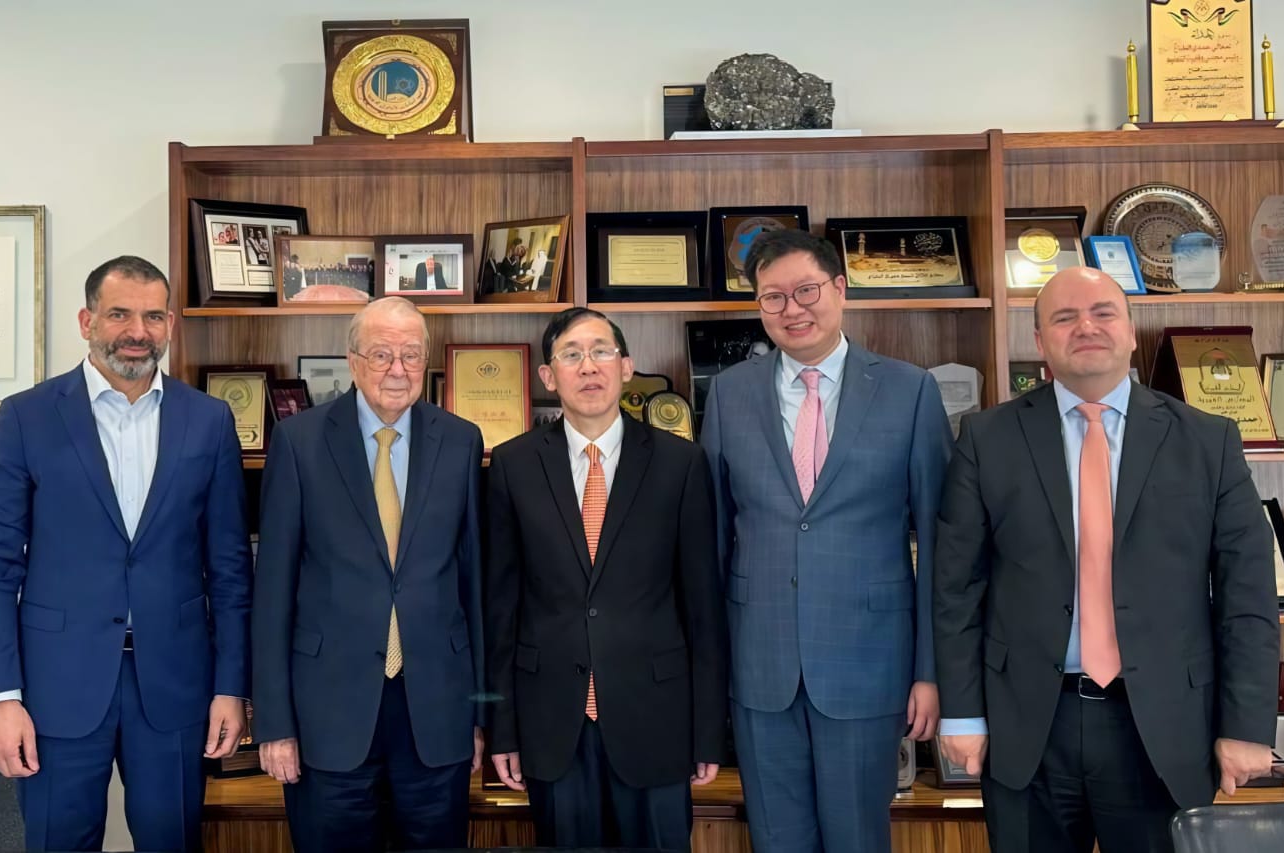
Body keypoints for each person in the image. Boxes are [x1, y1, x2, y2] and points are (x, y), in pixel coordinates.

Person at [934, 267, 1280, 853]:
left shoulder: (1208, 441)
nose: (1086, 327)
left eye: (1102, 313)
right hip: (1027, 725)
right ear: (1040, 341)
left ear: (1131, 332)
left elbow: (1247, 597)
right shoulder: (987, 439)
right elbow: (956, 589)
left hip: (1163, 725)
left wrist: (1246, 727)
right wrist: (962, 715)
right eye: (1064, 317)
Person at [0, 255, 252, 852]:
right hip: (56, 687)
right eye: (119, 314)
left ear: (170, 324)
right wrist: (2, 698)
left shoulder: (208, 420)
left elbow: (229, 568)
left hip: (175, 685)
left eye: (153, 316)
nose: (137, 331)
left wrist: (231, 686)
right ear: (87, 321)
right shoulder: (26, 417)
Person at [700, 229, 951, 853]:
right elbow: (714, 539)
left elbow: (940, 547)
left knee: (857, 839)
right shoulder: (729, 393)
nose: (792, 309)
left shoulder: (909, 391)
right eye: (773, 297)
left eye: (806, 291)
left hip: (868, 665)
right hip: (760, 666)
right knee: (776, 839)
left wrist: (929, 672)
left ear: (840, 289)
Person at [485, 308, 728, 851]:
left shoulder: (681, 463)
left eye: (601, 352)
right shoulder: (513, 465)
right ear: (548, 376)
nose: (588, 366)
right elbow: (501, 609)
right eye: (571, 355)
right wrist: (503, 727)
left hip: (657, 720)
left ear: (626, 367)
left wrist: (709, 730)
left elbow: (703, 608)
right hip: (552, 724)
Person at [253, 297, 485, 853]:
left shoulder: (461, 440)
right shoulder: (298, 441)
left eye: (411, 354)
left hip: (436, 712)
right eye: (382, 354)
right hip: (327, 714)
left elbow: (474, 585)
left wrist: (480, 716)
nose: (397, 369)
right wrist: (275, 723)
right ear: (353, 360)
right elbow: (273, 592)